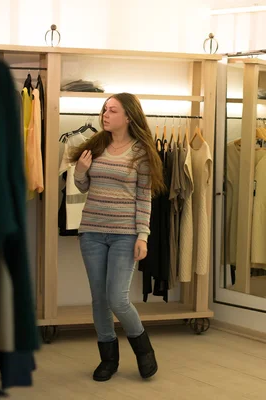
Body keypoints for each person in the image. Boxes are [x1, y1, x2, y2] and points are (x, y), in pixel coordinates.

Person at [69, 93, 165, 382]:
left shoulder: (141, 153)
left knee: (117, 298)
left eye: (112, 110)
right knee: (99, 299)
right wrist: (80, 172)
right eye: (104, 109)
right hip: (92, 232)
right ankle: (108, 359)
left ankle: (143, 350)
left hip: (125, 234)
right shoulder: (94, 147)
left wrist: (143, 236)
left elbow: (143, 198)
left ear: (128, 116)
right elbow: (83, 186)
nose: (105, 115)